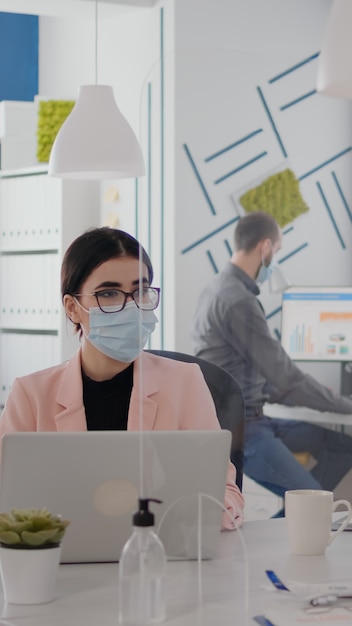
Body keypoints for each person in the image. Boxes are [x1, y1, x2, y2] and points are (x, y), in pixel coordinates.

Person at [0, 226, 244, 530]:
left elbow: (225, 494)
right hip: (62, 566)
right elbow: (7, 503)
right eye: (109, 293)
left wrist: (200, 517)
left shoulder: (185, 382)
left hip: (160, 559)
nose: (131, 306)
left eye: (140, 290)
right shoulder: (31, 395)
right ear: (73, 308)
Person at [191, 211, 352, 506]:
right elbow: (286, 378)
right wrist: (344, 405)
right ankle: (307, 507)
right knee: (316, 503)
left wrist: (310, 396)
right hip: (243, 430)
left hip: (249, 418)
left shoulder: (216, 288)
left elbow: (259, 376)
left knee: (344, 446)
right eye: (276, 251)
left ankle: (304, 502)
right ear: (265, 247)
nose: (274, 260)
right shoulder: (238, 300)